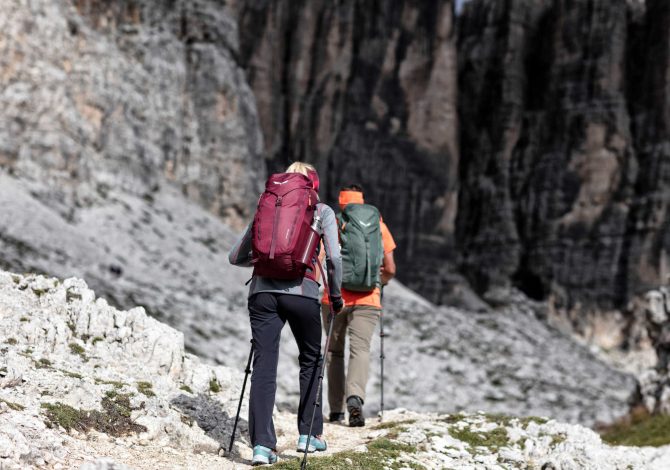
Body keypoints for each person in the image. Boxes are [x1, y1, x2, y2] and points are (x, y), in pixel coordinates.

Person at [228, 162, 344, 465]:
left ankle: (262, 447)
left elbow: (235, 255)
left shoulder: (268, 203)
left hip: (262, 293)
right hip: (302, 292)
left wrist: (268, 264)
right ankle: (309, 434)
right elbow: (334, 257)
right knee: (310, 358)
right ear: (313, 184)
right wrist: (334, 295)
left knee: (264, 364)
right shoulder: (322, 210)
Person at [321, 184, 396, 427]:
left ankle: (335, 410)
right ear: (362, 200)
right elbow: (391, 269)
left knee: (334, 352)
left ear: (342, 201)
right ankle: (355, 397)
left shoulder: (334, 222)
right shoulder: (378, 224)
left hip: (334, 298)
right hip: (369, 298)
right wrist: (377, 283)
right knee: (360, 350)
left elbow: (322, 259)